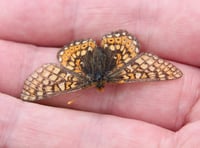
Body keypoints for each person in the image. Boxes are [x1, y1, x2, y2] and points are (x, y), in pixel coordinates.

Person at [0, 1, 199, 147]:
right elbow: (142, 68)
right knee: (135, 73)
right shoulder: (113, 77)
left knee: (136, 74)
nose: (101, 88)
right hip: (115, 55)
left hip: (82, 59)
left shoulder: (85, 81)